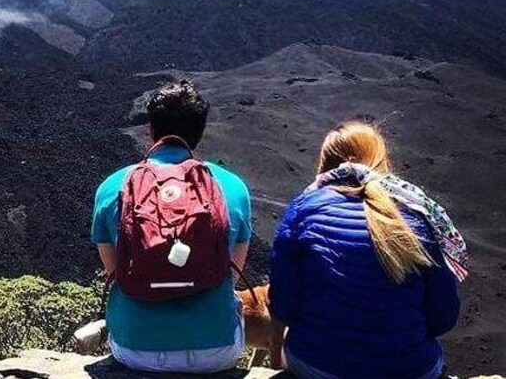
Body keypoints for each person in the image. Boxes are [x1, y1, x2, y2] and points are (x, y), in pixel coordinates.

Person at [270, 121, 465, 379]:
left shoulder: (302, 210)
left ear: (325, 163)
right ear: (380, 160)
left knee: (289, 345)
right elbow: (443, 317)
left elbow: (284, 306)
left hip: (320, 367)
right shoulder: (420, 215)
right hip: (409, 370)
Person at [91, 80, 252, 373]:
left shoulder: (112, 186)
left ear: (150, 130)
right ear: (200, 133)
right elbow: (231, 276)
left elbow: (115, 272)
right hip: (214, 351)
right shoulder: (234, 187)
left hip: (135, 348)